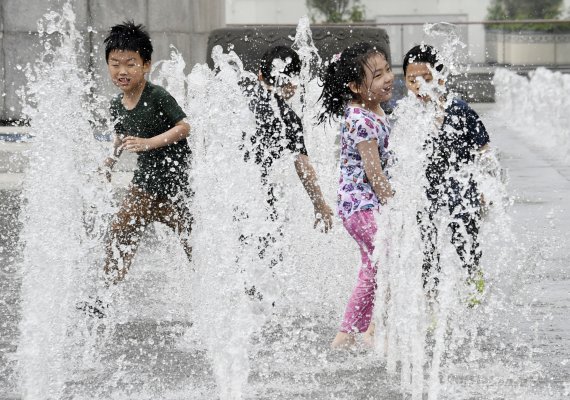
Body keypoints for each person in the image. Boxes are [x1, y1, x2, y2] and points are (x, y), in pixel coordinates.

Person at [79, 21, 192, 317]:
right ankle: (104, 296)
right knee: (121, 230)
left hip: (176, 184)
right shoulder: (117, 105)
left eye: (131, 63)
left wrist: (149, 143)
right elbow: (120, 135)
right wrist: (110, 163)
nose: (122, 71)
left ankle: (230, 290)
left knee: (194, 240)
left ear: (146, 65)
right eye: (115, 64)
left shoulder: (157, 97)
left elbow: (184, 127)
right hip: (145, 183)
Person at [240, 45, 334, 302]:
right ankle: (260, 302)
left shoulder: (241, 101)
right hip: (264, 193)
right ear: (292, 83)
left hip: (236, 191)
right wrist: (320, 204)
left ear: (259, 74)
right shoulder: (288, 117)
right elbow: (302, 166)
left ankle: (240, 299)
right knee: (268, 247)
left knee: (240, 248)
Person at [317, 42, 394, 348]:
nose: (387, 78)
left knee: (373, 267)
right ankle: (368, 331)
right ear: (355, 87)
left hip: (359, 207)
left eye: (387, 69)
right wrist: (396, 202)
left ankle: (351, 335)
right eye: (377, 75)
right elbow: (374, 174)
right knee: (387, 261)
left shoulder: (374, 108)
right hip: (362, 208)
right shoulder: (361, 120)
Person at [402, 44, 490, 300]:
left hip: (461, 189)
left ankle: (474, 288)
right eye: (411, 80)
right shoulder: (407, 114)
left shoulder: (459, 109)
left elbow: (484, 149)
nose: (419, 87)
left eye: (426, 79)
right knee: (427, 248)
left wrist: (484, 186)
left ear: (440, 77)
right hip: (424, 191)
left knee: (466, 243)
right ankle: (430, 301)